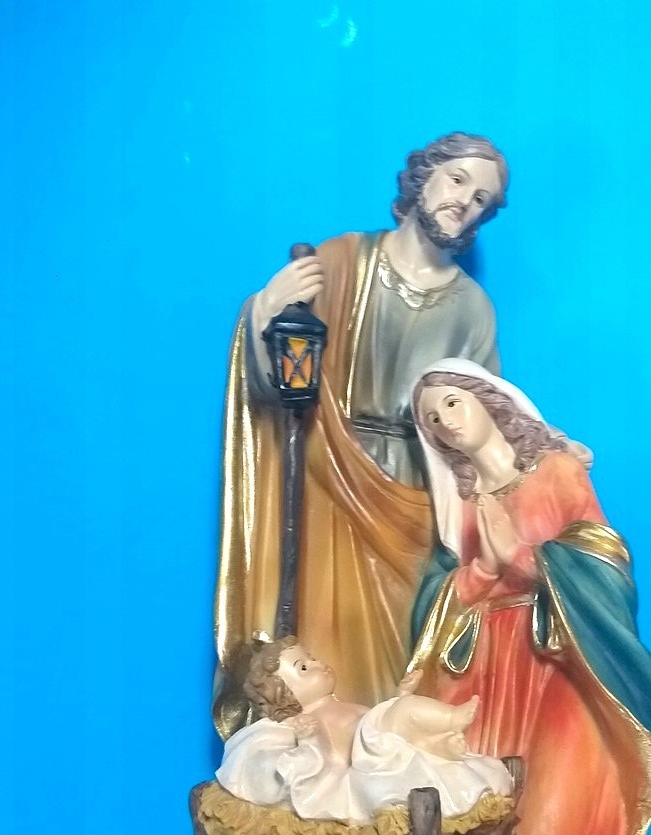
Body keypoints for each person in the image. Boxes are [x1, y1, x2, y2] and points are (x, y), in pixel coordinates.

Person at [214, 134, 510, 737]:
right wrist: (264, 311)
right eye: (457, 180)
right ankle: (319, 752)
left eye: (482, 198)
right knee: (325, 636)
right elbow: (276, 374)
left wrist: (535, 455)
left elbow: (482, 417)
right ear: (423, 177)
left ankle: (392, 760)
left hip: (415, 497)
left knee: (407, 650)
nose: (465, 202)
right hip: (327, 474)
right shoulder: (342, 262)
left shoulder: (472, 309)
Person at [407, 361, 651, 835]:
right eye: (431, 418)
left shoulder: (557, 472)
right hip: (485, 670)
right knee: (475, 813)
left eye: (453, 403)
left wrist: (524, 561)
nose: (444, 421)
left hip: (561, 658)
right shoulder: (458, 505)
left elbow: (606, 562)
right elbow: (439, 592)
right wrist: (481, 573)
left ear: (489, 400)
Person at [214, 636, 512, 824]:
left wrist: (400, 695)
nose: (317, 664)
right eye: (303, 668)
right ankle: (451, 720)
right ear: (284, 695)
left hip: (384, 745)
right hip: (371, 755)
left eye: (311, 657)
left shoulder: (337, 704)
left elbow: (378, 719)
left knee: (403, 717)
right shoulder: (309, 718)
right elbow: (329, 755)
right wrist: (309, 740)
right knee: (402, 712)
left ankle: (442, 745)